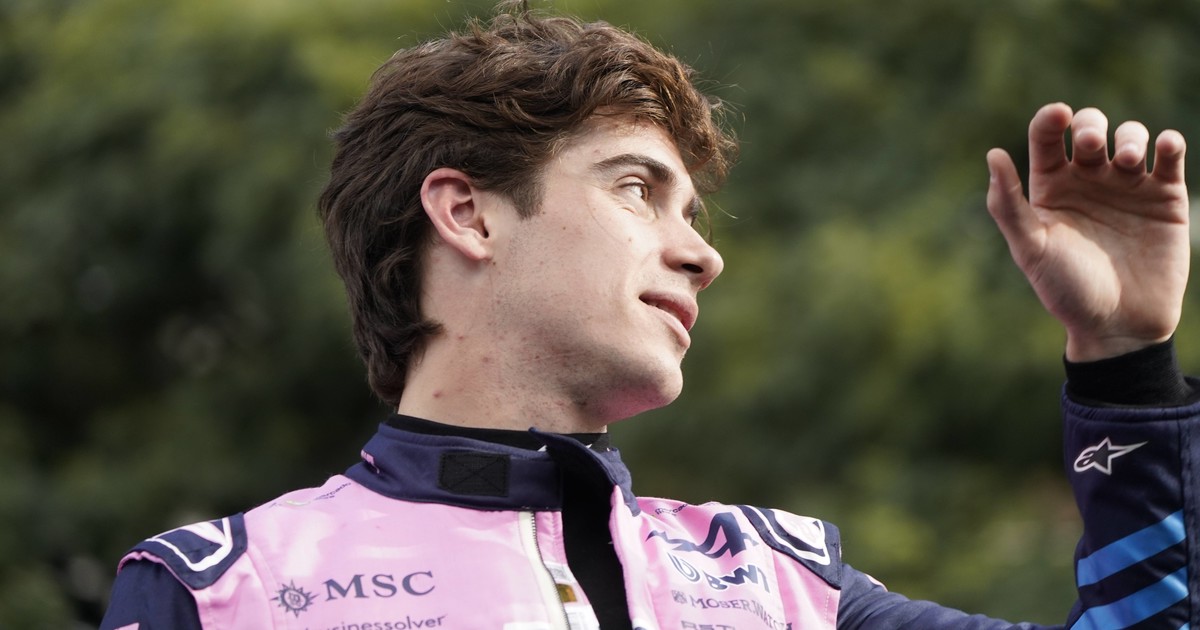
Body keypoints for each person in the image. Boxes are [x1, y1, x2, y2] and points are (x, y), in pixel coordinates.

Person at [100, 3, 1198, 629]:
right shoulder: (222, 591)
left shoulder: (782, 586)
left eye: (693, 213)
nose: (702, 254)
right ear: (467, 214)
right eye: (637, 189)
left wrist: (1124, 360)